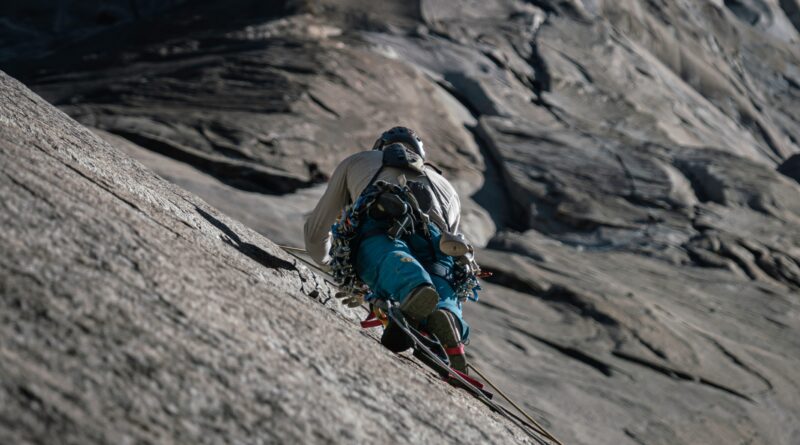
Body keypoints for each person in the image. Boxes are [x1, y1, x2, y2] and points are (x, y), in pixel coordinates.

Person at [304, 127, 475, 372]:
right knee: (440, 281)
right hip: (440, 244)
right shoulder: (447, 187)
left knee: (389, 257)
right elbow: (449, 244)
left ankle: (414, 288)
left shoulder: (360, 160)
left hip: (383, 222)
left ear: (380, 146)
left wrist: (333, 266)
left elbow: (315, 232)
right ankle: (448, 320)